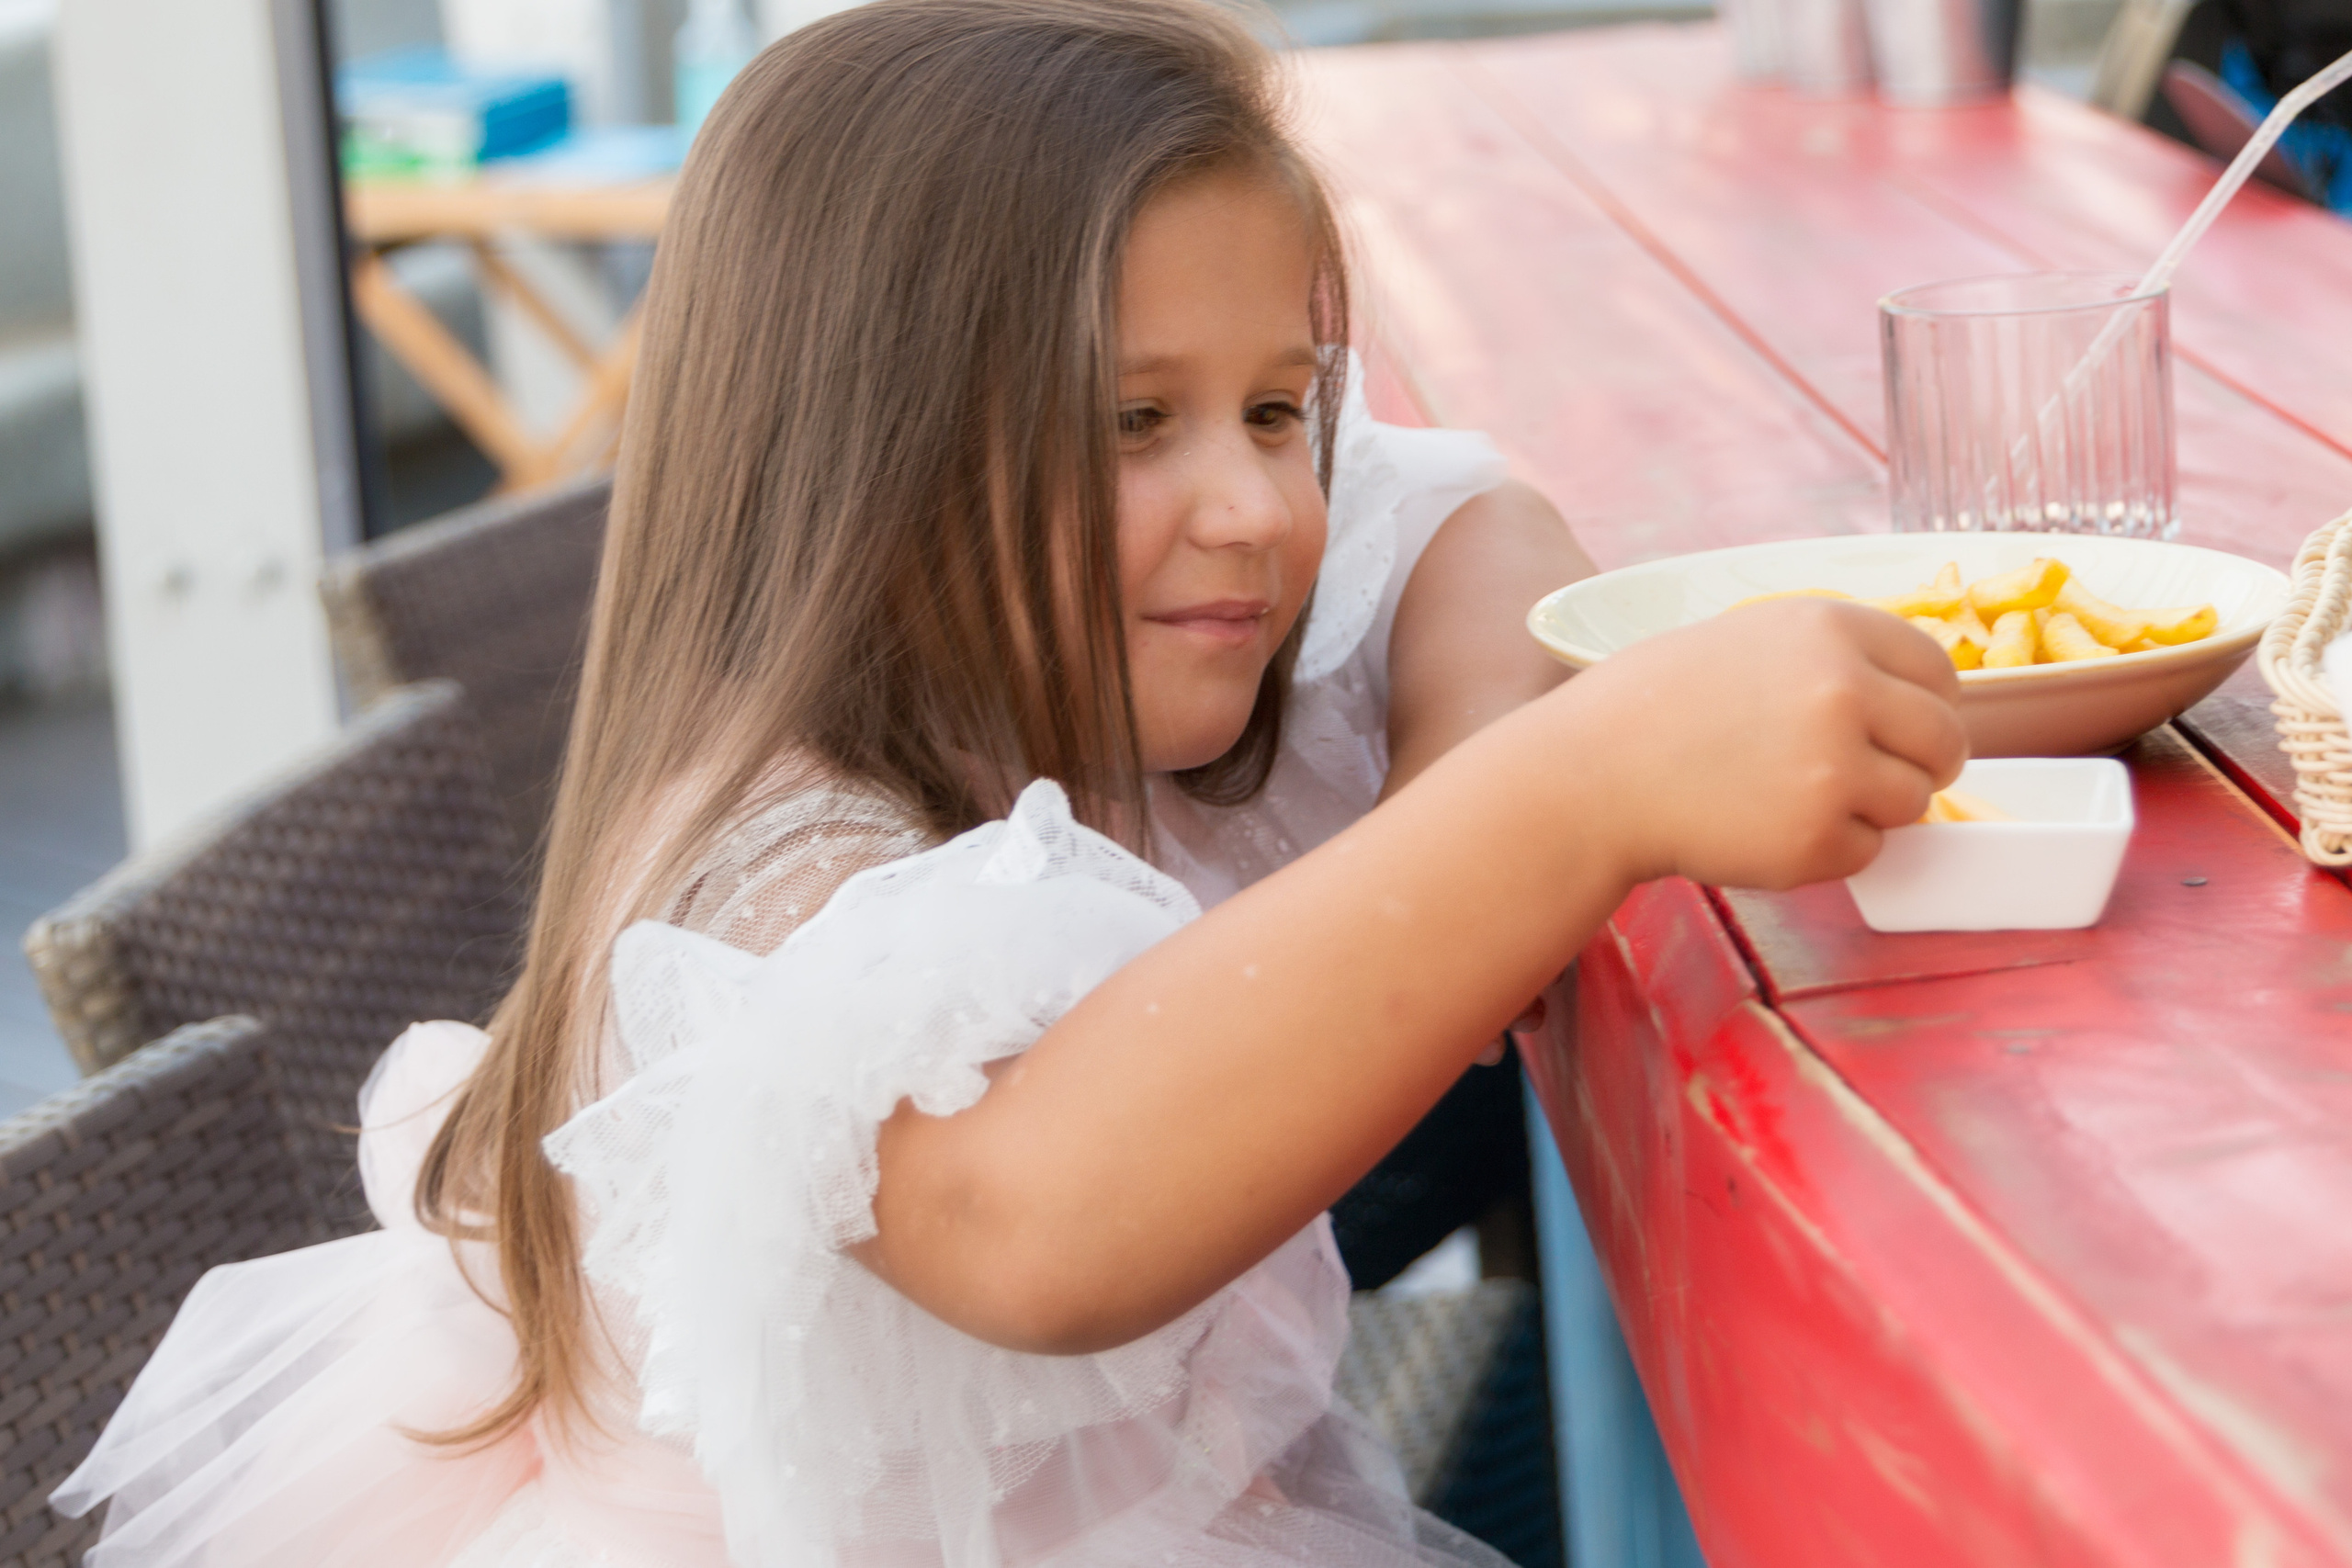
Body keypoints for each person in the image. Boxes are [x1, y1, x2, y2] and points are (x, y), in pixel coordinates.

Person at [54, 3, 1965, 1564]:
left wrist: (1473, 751)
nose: (1250, 500)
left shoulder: (1112, 625)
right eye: (1132, 420)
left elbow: (1457, 506)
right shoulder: (777, 870)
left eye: (1274, 404)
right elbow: (1037, 1220)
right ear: (865, 457)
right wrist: (1574, 789)